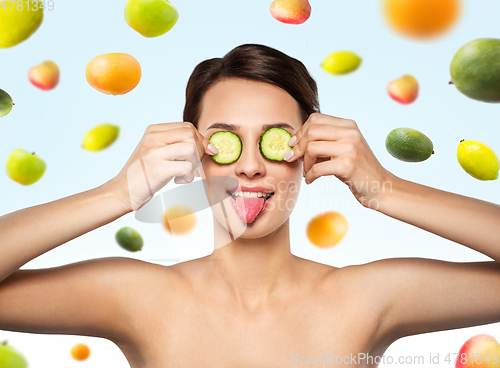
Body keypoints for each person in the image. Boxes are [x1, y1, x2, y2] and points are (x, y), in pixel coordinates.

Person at [1, 43, 500, 368]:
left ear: (310, 153)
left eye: (276, 141)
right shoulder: (139, 298)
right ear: (195, 158)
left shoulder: (366, 296)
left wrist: (385, 188)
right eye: (225, 143)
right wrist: (116, 194)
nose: (251, 168)